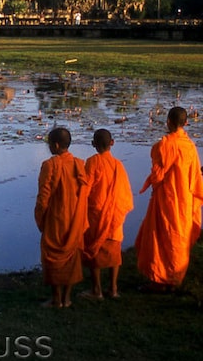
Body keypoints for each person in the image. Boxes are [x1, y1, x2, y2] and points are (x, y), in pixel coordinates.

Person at [135, 106, 203, 291]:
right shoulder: (190, 145)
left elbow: (157, 175)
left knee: (161, 237)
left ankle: (159, 280)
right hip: (185, 200)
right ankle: (174, 278)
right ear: (185, 123)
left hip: (168, 198)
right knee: (178, 238)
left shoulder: (165, 144)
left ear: (169, 122)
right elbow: (196, 174)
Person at [34, 127, 90, 307]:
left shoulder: (50, 165)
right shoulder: (79, 164)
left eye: (50, 144)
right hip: (75, 217)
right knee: (72, 255)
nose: (49, 148)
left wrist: (40, 218)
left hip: (57, 218)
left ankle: (56, 299)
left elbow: (44, 196)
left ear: (56, 145)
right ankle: (67, 298)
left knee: (53, 255)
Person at [81, 129, 133, 300]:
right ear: (112, 143)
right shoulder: (119, 164)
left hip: (97, 214)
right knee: (114, 251)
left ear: (93, 144)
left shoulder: (92, 162)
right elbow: (125, 192)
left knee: (94, 250)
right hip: (115, 214)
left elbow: (85, 189)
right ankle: (113, 288)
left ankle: (97, 290)